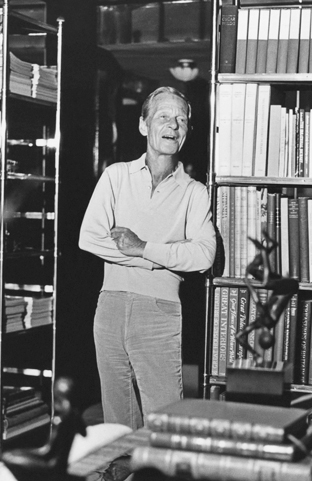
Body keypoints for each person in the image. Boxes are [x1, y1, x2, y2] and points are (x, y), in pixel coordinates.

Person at [78, 86, 216, 430]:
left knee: (164, 422)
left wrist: (142, 248)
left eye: (181, 119)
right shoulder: (116, 176)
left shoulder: (195, 193)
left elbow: (204, 255)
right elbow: (89, 238)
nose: (173, 125)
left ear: (187, 133)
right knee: (117, 421)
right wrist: (167, 260)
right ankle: (124, 480)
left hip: (160, 310)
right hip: (109, 305)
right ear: (144, 126)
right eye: (164, 116)